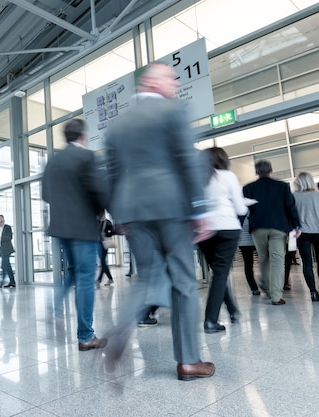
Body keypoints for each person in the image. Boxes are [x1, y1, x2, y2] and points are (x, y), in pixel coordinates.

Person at [104, 61, 215, 381]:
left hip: (133, 210)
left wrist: (118, 214)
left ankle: (121, 333)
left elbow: (111, 174)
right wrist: (199, 209)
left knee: (147, 277)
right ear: (151, 83)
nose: (175, 85)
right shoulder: (173, 111)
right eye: (170, 79)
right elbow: (185, 160)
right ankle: (188, 361)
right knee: (182, 282)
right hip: (171, 208)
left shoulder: (117, 123)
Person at [42, 118, 108, 352]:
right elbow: (99, 190)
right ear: (82, 135)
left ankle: (54, 307)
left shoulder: (53, 161)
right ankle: (86, 336)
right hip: (82, 229)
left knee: (72, 273)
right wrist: (100, 209)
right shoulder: (87, 157)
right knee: (84, 280)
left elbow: (45, 194)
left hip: (61, 228)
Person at [197, 147, 247, 333]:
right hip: (227, 228)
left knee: (218, 273)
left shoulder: (197, 178)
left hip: (205, 231)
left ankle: (233, 310)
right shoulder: (228, 176)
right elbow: (240, 208)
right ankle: (210, 321)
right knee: (220, 274)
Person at [243, 160, 301, 305]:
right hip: (278, 227)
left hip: (257, 228)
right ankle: (276, 296)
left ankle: (267, 288)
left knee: (263, 258)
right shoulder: (282, 186)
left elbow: (242, 209)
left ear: (256, 172)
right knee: (277, 260)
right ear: (271, 170)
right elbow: (290, 207)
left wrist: (238, 226)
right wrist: (297, 226)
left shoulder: (248, 188)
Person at [292, 171, 319, 301]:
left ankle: (313, 292)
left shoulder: (293, 196)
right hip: (318, 231)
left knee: (307, 263)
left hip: (301, 233)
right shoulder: (317, 195)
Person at [238, 218, 260, 295]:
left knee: (248, 265)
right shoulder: (254, 210)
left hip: (243, 242)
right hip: (256, 241)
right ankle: (263, 284)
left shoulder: (238, 213)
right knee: (264, 262)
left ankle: (254, 288)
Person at [0, 214, 16, 288]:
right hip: (2, 249)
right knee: (7, 266)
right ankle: (12, 282)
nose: (0, 223)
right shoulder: (0, 229)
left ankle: (2, 283)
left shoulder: (7, 227)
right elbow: (0, 240)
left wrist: (0, 238)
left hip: (7, 250)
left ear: (3, 220)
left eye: (1, 221)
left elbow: (9, 237)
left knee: (4, 266)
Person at [96, 214, 114, 286]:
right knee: (102, 262)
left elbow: (112, 232)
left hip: (106, 242)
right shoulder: (97, 222)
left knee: (103, 261)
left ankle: (99, 280)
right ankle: (110, 279)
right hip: (98, 243)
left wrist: (106, 234)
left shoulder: (108, 222)